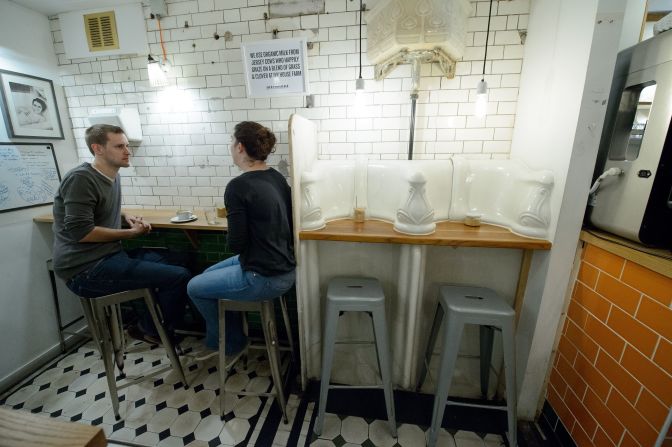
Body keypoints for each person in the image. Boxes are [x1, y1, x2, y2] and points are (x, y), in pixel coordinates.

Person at [52, 124, 191, 345]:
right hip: (85, 269)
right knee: (178, 276)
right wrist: (131, 233)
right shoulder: (81, 179)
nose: (128, 151)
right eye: (119, 146)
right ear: (98, 148)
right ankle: (154, 330)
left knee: (181, 260)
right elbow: (82, 233)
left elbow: (100, 207)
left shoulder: (111, 175)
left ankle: (151, 322)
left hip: (109, 256)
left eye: (127, 145)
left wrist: (126, 215)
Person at [187, 121, 296, 363]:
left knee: (194, 286)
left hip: (264, 277)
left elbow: (236, 244)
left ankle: (231, 343)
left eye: (231, 142)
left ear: (240, 147)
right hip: (284, 266)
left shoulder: (238, 186)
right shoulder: (276, 177)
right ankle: (231, 334)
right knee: (207, 275)